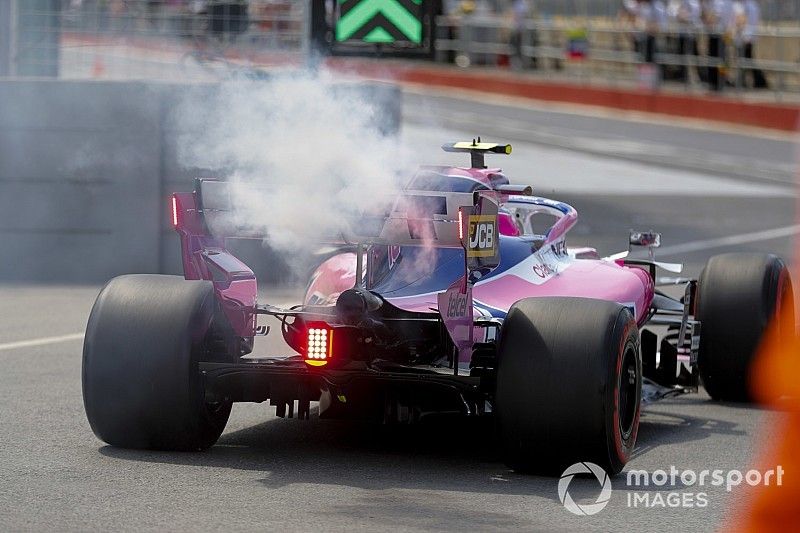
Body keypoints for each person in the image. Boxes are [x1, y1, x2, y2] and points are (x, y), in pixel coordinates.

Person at [702, 0, 734, 91]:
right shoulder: (728, 2)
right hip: (724, 33)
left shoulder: (718, 2)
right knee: (723, 58)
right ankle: (721, 79)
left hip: (717, 33)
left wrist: (708, 20)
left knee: (717, 58)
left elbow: (714, 16)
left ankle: (716, 81)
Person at [736, 0, 769, 88]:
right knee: (747, 59)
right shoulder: (751, 5)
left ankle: (756, 81)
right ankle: (757, 81)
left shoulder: (748, 5)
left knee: (745, 60)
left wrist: (746, 36)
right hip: (748, 36)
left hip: (746, 37)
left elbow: (746, 21)